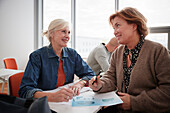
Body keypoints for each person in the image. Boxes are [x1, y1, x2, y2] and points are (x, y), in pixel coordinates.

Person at [89, 7, 170, 113]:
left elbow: (167, 90)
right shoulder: (118, 52)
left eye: (117, 26)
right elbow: (111, 77)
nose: (115, 32)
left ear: (134, 25)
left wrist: (134, 102)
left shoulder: (158, 51)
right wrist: (100, 85)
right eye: (113, 28)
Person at [19, 19, 95, 102]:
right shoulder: (37, 56)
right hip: (45, 104)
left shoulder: (72, 54)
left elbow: (90, 74)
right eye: (63, 31)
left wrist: (80, 83)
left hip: (66, 102)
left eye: (69, 32)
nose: (67, 36)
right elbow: (25, 90)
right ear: (51, 33)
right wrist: (51, 96)